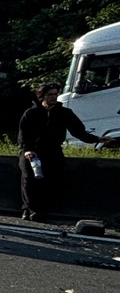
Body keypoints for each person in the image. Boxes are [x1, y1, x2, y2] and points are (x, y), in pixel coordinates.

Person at [17, 82, 109, 221]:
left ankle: (40, 210)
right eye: (50, 95)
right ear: (42, 96)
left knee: (52, 178)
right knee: (28, 179)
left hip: (52, 149)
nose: (53, 98)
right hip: (33, 150)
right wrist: (27, 149)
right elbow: (22, 133)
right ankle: (28, 208)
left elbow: (78, 131)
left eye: (55, 94)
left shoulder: (64, 113)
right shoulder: (31, 113)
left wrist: (96, 139)